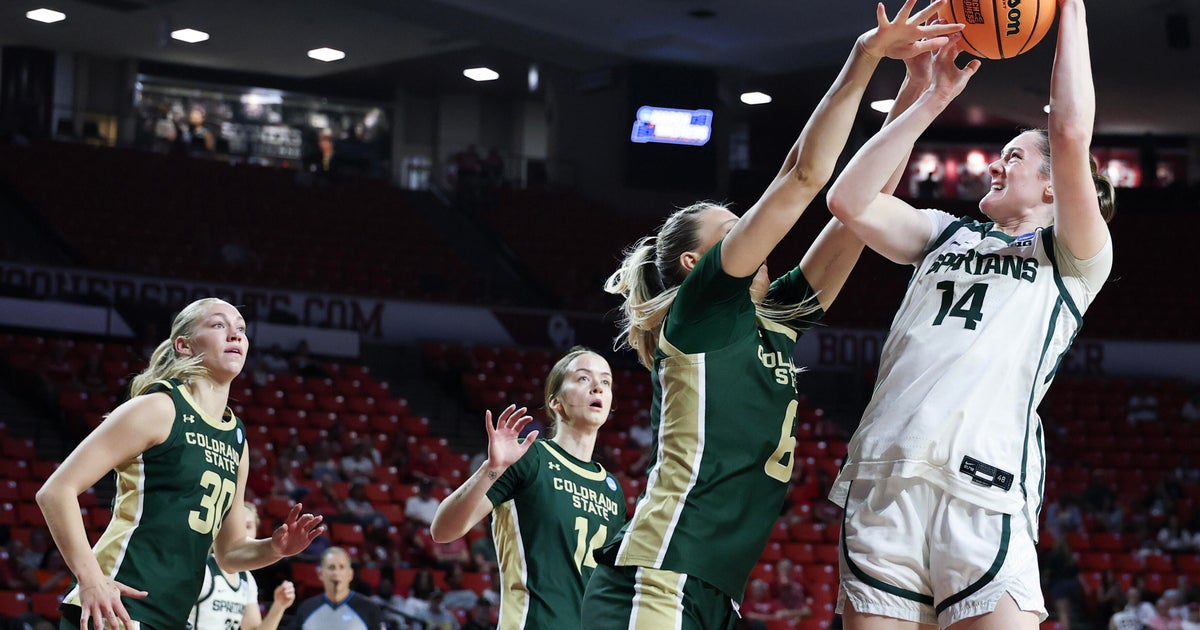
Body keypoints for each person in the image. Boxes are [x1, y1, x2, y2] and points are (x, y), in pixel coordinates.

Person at [581, 2, 960, 628]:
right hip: (662, 574)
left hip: (711, 588)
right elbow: (805, 175)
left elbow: (859, 213)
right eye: (733, 233)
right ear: (695, 264)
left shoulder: (774, 317)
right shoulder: (702, 310)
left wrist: (917, 97)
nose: (751, 238)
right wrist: (865, 57)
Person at [823, 0, 1115, 626]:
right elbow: (847, 199)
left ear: (1051, 187)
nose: (994, 164)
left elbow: (1067, 133)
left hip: (982, 488)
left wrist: (1069, 9)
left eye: (1013, 157)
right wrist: (930, 97)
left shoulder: (1071, 259)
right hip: (885, 475)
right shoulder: (941, 235)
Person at [36, 297, 325, 630]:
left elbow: (229, 554)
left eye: (241, 329)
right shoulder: (159, 408)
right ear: (183, 345)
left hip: (173, 617)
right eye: (219, 325)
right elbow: (56, 491)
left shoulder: (237, 437)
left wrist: (275, 548)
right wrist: (90, 580)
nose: (235, 335)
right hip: (116, 609)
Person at [430, 348, 627, 629]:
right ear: (555, 402)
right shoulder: (530, 458)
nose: (598, 387)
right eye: (583, 379)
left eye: (605, 382)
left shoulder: (612, 489)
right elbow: (443, 530)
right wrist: (491, 468)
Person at [189, 502, 297, 630]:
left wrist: (279, 606)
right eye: (236, 526)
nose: (241, 533)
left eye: (248, 526)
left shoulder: (247, 579)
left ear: (256, 531)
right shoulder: (204, 569)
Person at [288, 547, 385, 630]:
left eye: (341, 567)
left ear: (350, 574)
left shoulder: (369, 609)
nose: (336, 573)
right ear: (320, 573)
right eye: (331, 567)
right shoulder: (306, 608)